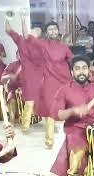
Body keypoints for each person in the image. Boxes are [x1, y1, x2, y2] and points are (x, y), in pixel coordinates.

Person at [50, 55, 94, 176]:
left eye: (84, 68)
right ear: (72, 72)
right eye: (77, 68)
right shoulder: (64, 90)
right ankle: (74, 174)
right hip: (76, 131)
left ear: (88, 71)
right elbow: (57, 115)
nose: (81, 71)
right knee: (76, 161)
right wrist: (73, 110)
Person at [30, 21, 74, 149]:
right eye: (50, 29)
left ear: (58, 30)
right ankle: (49, 141)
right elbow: (29, 40)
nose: (53, 31)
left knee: (69, 109)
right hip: (49, 82)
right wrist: (25, 23)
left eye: (55, 29)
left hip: (64, 81)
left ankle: (72, 138)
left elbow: (73, 60)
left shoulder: (64, 47)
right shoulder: (42, 44)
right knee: (50, 110)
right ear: (46, 32)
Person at [6, 18, 43, 132]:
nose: (32, 33)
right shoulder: (21, 41)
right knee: (29, 102)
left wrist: (22, 21)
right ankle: (25, 127)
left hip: (39, 77)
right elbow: (8, 30)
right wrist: (7, 19)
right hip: (28, 78)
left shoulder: (39, 47)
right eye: (32, 31)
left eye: (35, 32)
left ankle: (50, 124)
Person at [1, 53, 23, 124]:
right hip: (13, 89)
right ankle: (12, 119)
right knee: (11, 99)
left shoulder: (30, 65)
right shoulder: (12, 65)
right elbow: (2, 79)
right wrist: (9, 76)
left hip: (26, 90)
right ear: (16, 56)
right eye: (20, 54)